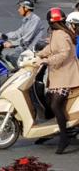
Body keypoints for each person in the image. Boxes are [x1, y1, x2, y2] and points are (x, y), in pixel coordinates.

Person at [36, 8, 79, 154]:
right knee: (48, 101)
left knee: (55, 105)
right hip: (59, 74)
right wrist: (38, 55)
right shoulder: (56, 33)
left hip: (66, 75)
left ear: (51, 21)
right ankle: (49, 132)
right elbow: (50, 48)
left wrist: (46, 61)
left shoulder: (61, 34)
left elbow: (64, 53)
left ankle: (63, 138)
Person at [3, 0, 47, 67]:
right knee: (8, 56)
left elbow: (26, 39)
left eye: (20, 7)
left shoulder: (35, 20)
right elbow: (18, 33)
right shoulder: (27, 19)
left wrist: (12, 44)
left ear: (26, 8)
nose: (18, 10)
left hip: (32, 49)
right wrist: (5, 36)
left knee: (12, 57)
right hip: (26, 46)